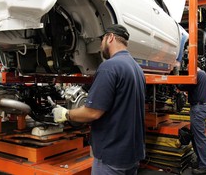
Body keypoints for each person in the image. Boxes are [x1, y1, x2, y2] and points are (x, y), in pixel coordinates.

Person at [52, 24, 146, 175]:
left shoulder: (109, 67)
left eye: (101, 41)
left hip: (111, 155)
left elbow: (92, 112)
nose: (100, 46)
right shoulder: (137, 68)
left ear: (110, 38)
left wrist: (66, 114)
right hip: (131, 155)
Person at [177, 68, 206, 175]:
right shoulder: (205, 76)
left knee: (200, 139)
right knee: (196, 137)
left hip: (198, 108)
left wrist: (175, 78)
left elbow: (183, 86)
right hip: (202, 107)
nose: (187, 69)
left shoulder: (197, 75)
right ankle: (200, 161)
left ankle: (204, 166)